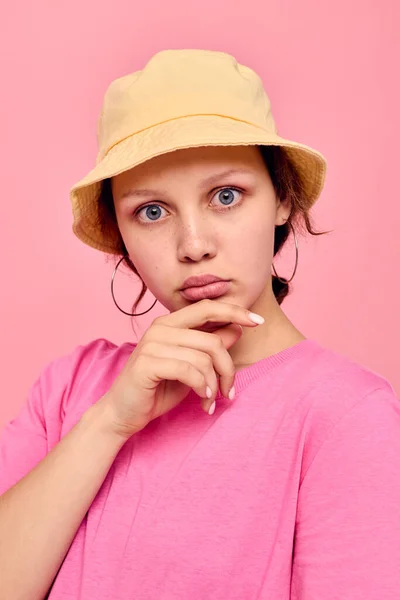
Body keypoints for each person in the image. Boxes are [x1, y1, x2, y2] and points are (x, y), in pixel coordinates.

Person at [0, 49, 399, 600]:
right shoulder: (72, 388)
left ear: (282, 199)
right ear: (120, 234)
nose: (194, 246)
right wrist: (110, 422)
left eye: (226, 196)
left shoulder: (347, 417)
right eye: (152, 211)